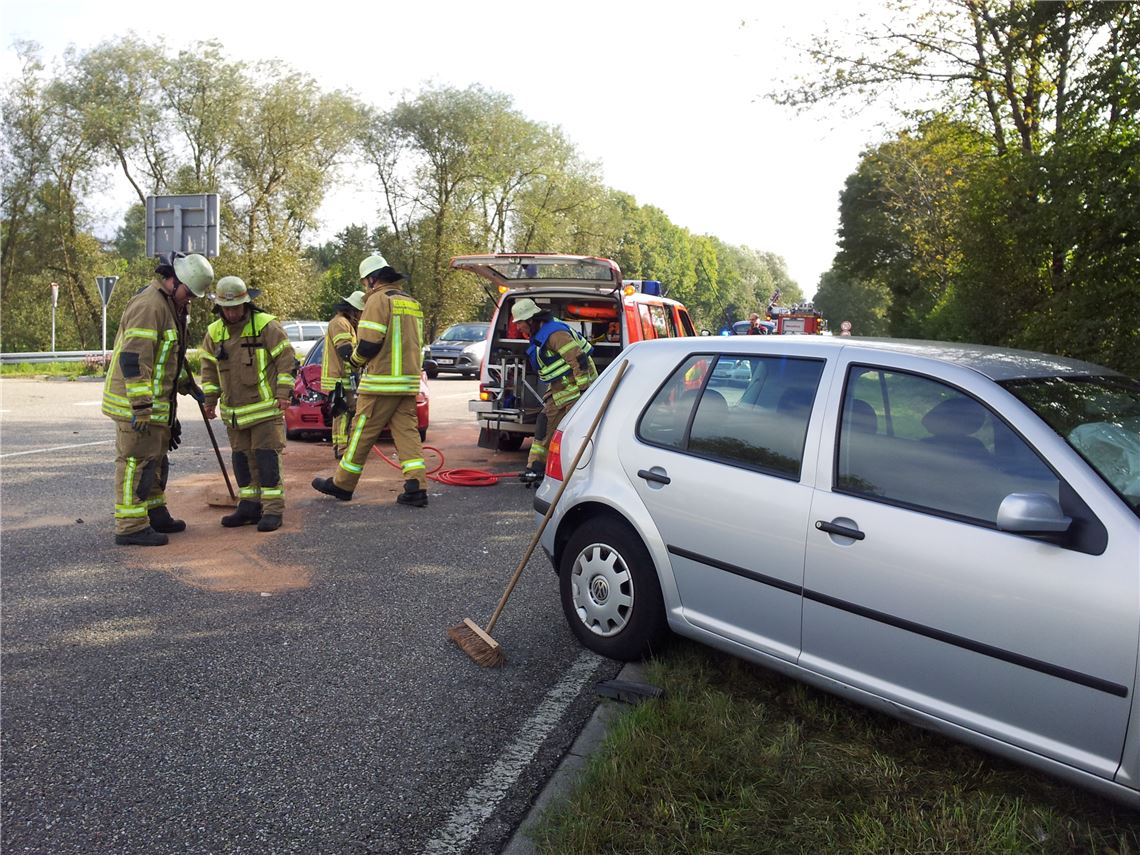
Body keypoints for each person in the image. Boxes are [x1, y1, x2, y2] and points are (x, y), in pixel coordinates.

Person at [102, 252, 214, 546]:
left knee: (155, 457)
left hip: (156, 404)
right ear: (173, 280)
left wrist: (189, 387)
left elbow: (168, 357)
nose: (189, 299)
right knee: (135, 463)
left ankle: (154, 511)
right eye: (188, 293)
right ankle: (131, 526)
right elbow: (134, 359)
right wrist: (140, 407)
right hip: (136, 406)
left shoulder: (170, 305)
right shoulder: (150, 305)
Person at [311, 254, 428, 507]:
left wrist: (354, 361)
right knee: (407, 435)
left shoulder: (377, 300)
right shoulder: (412, 303)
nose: (366, 287)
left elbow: (369, 342)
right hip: (407, 383)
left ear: (373, 279)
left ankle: (342, 483)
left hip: (381, 384)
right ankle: (416, 486)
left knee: (361, 433)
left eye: (366, 282)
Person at [199, 276, 296, 532]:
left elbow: (286, 360)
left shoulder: (266, 326)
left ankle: (273, 510)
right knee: (242, 460)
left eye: (235, 307)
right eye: (226, 308)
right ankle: (249, 505)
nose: (231, 313)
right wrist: (210, 400)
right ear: (219, 307)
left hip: (265, 411)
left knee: (266, 460)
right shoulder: (214, 332)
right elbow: (208, 370)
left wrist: (283, 393)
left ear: (246, 304)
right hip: (234, 415)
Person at [511, 298, 598, 485]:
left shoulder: (555, 334)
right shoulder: (541, 334)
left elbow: (579, 360)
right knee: (544, 423)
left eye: (520, 322)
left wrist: (585, 393)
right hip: (561, 389)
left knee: (574, 432)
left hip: (578, 390)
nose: (518, 327)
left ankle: (577, 476)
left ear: (531, 319)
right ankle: (535, 468)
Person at [321, 290, 367, 459]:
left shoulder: (347, 323)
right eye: (361, 312)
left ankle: (341, 446)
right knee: (342, 412)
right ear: (354, 309)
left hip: (346, 377)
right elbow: (345, 350)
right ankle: (341, 449)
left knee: (346, 412)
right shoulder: (340, 323)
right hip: (339, 378)